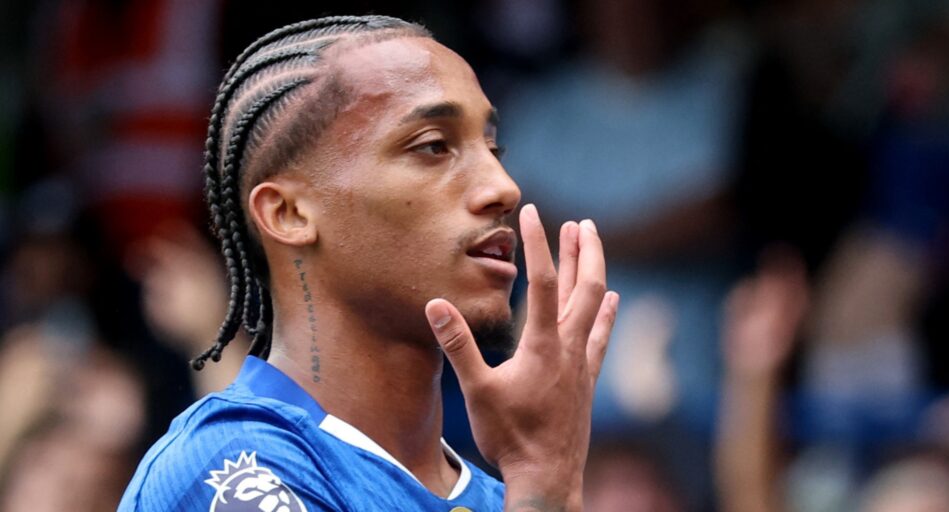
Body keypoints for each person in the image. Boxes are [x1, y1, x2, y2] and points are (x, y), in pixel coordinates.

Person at [117, 14, 618, 512]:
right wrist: (542, 480)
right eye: (433, 147)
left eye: (492, 148)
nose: (503, 187)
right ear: (289, 213)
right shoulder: (235, 467)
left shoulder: (503, 498)